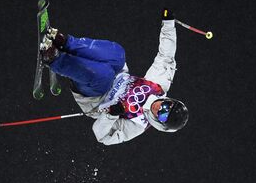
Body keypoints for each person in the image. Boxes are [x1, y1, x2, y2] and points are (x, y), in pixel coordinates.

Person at [40, 9, 189, 145]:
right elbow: (166, 57)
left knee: (103, 76)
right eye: (167, 105)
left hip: (96, 97)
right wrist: (168, 24)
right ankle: (64, 42)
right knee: (118, 54)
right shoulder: (158, 87)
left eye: (162, 115)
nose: (160, 108)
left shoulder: (138, 124)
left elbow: (102, 136)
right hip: (116, 74)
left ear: (160, 124)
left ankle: (54, 59)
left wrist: (111, 115)